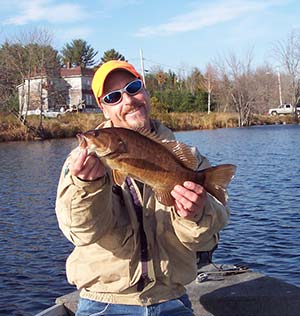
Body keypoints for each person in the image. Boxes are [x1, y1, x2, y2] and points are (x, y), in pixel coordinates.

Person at [55, 60, 230, 316]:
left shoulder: (189, 157)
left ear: (146, 92)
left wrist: (194, 214)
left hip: (172, 300)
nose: (128, 100)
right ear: (103, 108)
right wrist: (86, 186)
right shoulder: (81, 165)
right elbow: (80, 232)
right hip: (103, 303)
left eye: (133, 87)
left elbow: (206, 240)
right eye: (114, 97)